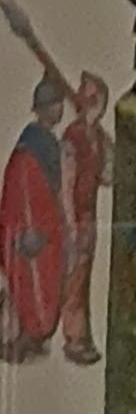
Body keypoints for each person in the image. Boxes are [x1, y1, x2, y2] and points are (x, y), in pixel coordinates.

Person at [1, 70, 68, 363]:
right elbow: (24, 185)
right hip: (32, 224)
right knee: (30, 281)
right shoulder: (31, 144)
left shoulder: (51, 142)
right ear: (42, 108)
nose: (59, 108)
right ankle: (26, 333)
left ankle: (37, 333)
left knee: (50, 276)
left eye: (59, 103)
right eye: (54, 104)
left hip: (47, 222)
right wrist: (29, 227)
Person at [57, 72, 113, 368]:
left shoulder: (96, 137)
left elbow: (108, 176)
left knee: (83, 277)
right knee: (74, 279)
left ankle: (82, 335)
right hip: (75, 218)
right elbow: (65, 184)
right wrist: (70, 225)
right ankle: (74, 337)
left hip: (89, 217)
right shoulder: (72, 136)